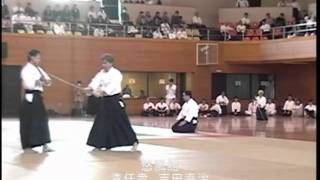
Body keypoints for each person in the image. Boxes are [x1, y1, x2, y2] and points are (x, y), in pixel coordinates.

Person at [83, 53, 139, 151]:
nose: (103, 65)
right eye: (102, 63)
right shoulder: (101, 73)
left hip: (114, 100)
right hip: (105, 101)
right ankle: (98, 144)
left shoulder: (116, 74)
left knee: (121, 122)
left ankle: (134, 141)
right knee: (101, 122)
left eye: (105, 63)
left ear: (111, 63)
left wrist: (101, 92)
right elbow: (95, 82)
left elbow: (112, 86)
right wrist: (90, 88)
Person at [19, 49, 54, 153]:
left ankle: (45, 144)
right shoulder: (26, 69)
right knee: (28, 121)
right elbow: (28, 85)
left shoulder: (39, 69)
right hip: (30, 97)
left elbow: (48, 82)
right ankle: (28, 145)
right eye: (38, 58)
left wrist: (47, 81)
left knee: (42, 120)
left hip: (38, 96)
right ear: (32, 57)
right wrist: (39, 81)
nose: (39, 60)